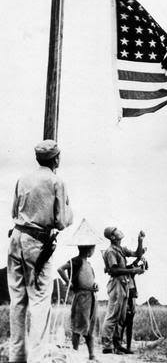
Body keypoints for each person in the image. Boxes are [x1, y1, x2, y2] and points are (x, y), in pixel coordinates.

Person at [7, 139, 73, 363]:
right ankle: (37, 359)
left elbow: (13, 211)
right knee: (39, 302)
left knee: (18, 301)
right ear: (56, 159)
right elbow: (62, 221)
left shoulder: (22, 179)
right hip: (37, 244)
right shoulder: (57, 181)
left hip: (16, 238)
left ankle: (16, 357)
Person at [57, 219, 99, 362]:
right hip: (81, 297)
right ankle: (74, 353)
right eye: (92, 248)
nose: (93, 250)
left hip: (91, 297)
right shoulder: (76, 260)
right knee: (78, 326)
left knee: (90, 327)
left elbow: (90, 280)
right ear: (88, 248)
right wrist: (68, 282)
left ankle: (92, 354)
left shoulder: (88, 263)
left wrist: (95, 286)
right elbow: (60, 269)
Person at [101, 227, 145, 354]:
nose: (119, 230)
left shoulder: (120, 249)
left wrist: (140, 240)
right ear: (112, 237)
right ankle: (107, 346)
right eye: (115, 230)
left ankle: (117, 343)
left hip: (124, 283)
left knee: (121, 316)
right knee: (112, 315)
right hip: (116, 284)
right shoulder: (110, 251)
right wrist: (132, 271)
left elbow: (137, 254)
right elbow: (114, 270)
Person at [120, 255, 148, 354]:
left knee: (129, 324)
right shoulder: (122, 270)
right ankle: (120, 346)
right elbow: (137, 266)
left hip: (131, 298)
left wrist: (143, 261)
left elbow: (141, 267)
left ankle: (127, 347)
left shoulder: (129, 270)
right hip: (124, 298)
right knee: (122, 324)